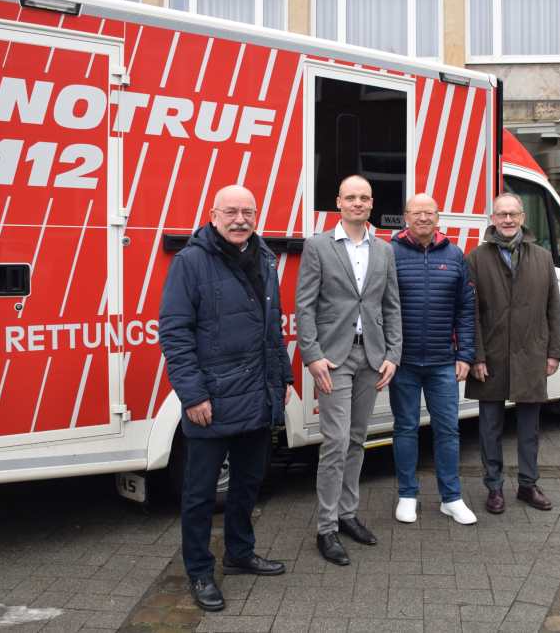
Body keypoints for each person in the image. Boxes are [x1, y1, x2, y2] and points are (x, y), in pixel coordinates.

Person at [159, 185, 292, 612]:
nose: (240, 219)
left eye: (247, 212)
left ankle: (239, 554)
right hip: (211, 402)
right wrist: (193, 394)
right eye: (231, 212)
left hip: (257, 395)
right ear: (213, 215)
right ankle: (199, 571)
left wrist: (283, 378)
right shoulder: (191, 262)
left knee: (248, 483)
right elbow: (175, 334)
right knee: (199, 494)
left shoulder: (265, 257)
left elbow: (273, 328)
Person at [295, 175, 402, 566]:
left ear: (371, 204)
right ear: (338, 202)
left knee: (357, 439)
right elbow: (304, 306)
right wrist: (312, 355)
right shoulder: (318, 246)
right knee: (335, 442)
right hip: (333, 359)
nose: (358, 203)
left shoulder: (385, 250)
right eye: (350, 197)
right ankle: (326, 528)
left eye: (364, 198)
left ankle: (347, 513)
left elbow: (391, 306)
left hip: (371, 358)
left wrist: (394, 353)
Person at [466, 192, 560, 514]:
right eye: (501, 214)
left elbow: (553, 308)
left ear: (522, 218)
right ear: (492, 219)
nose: (507, 220)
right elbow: (471, 313)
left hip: (531, 354)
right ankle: (493, 488)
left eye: (513, 214)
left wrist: (554, 352)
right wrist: (476, 356)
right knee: (489, 429)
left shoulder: (542, 257)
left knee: (529, 429)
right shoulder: (476, 258)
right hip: (491, 358)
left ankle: (527, 484)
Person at [389, 193, 477, 525]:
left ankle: (451, 498)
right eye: (416, 212)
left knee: (448, 431)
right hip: (404, 362)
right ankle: (407, 495)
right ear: (405, 217)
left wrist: (465, 354)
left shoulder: (454, 255)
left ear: (438, 218)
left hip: (443, 361)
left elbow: (465, 310)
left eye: (429, 213)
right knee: (406, 429)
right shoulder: (390, 253)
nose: (423, 218)